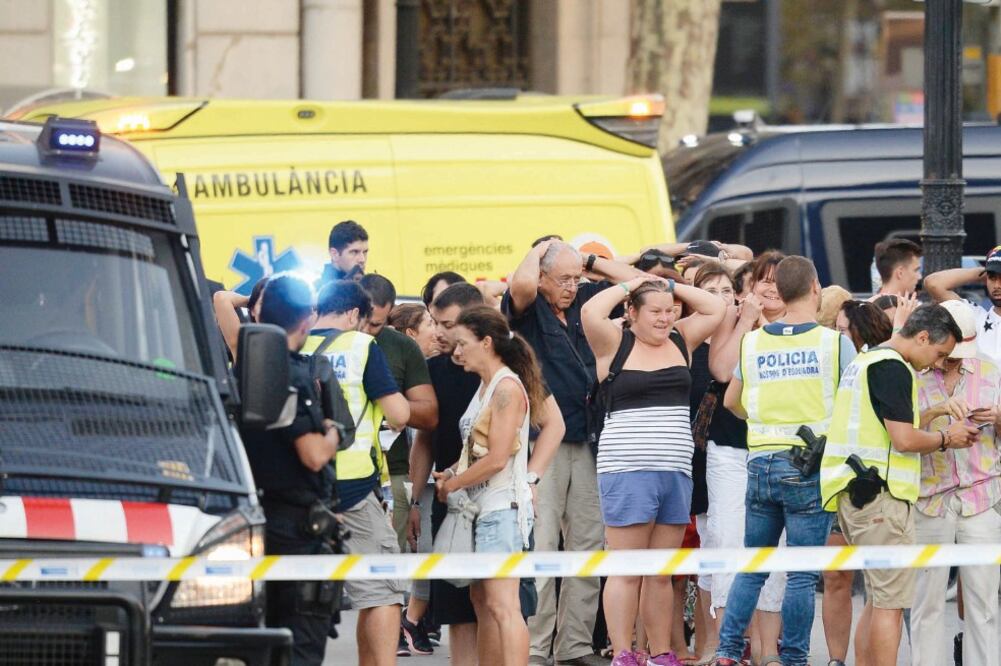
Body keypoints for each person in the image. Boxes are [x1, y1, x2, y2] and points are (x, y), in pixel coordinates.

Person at [504, 240, 642, 666]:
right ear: (542, 277)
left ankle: (575, 647)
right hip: (543, 441)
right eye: (562, 278)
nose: (571, 286)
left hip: (588, 437)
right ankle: (537, 646)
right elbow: (522, 282)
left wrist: (588, 263)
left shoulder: (584, 298)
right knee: (543, 546)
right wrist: (541, 248)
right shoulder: (527, 308)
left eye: (575, 278)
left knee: (586, 545)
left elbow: (637, 285)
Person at [714, 257, 858, 666]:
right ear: (815, 287)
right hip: (809, 467)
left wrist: (763, 423)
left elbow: (731, 402)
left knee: (754, 565)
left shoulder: (755, 341)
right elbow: (851, 407)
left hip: (760, 463)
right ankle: (794, 657)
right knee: (801, 573)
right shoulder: (833, 343)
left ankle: (726, 652)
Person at [820, 304, 979, 666]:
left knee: (877, 601)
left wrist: (935, 411)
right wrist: (946, 439)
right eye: (938, 353)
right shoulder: (893, 368)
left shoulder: (867, 361)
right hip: (881, 500)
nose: (936, 363)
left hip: (855, 495)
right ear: (922, 336)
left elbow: (885, 424)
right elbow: (904, 440)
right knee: (890, 606)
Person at [582, 273, 725, 666]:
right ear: (631, 313)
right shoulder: (615, 342)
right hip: (626, 469)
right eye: (655, 312)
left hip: (675, 469)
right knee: (627, 569)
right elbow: (590, 310)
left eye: (669, 311)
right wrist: (633, 282)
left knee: (661, 572)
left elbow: (716, 307)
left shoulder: (681, 339)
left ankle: (661, 651)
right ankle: (624, 651)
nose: (664, 318)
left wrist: (669, 285)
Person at [433, 305, 550, 666]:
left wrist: (453, 484)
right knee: (484, 604)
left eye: (462, 343)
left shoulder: (506, 387)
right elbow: (477, 452)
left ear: (486, 342)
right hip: (483, 509)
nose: (456, 352)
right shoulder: (489, 386)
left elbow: (498, 458)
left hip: (501, 510)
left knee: (503, 607)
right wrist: (452, 472)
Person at [304, 279, 410, 666]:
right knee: (381, 592)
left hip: (302, 491)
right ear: (353, 314)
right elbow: (399, 414)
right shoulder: (362, 345)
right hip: (352, 491)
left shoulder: (295, 344)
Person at [240, 274, 339, 666]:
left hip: (259, 520)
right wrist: (332, 433)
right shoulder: (290, 373)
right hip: (296, 528)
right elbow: (313, 454)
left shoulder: (246, 368)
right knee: (301, 641)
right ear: (307, 320)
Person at [911, 299, 1001, 666]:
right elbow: (895, 435)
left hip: (980, 497)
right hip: (929, 499)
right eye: (949, 354)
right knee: (926, 605)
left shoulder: (991, 370)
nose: (953, 361)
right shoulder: (910, 372)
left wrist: (997, 418)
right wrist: (939, 421)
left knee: (984, 604)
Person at [924, 245, 1001, 363]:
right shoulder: (974, 315)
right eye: (992, 277)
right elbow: (933, 283)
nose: (996, 286)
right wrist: (983, 272)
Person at [211, 276, 268, 359]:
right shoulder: (246, 347)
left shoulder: (292, 343)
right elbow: (222, 298)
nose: (270, 308)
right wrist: (253, 300)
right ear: (253, 311)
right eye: (264, 303)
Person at [318, 220, 369, 287]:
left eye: (365, 252)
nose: (362, 260)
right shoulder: (317, 292)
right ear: (334, 254)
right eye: (354, 252)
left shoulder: (370, 288)